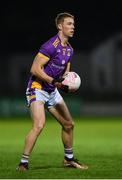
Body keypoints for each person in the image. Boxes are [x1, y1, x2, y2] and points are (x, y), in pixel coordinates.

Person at [17, 12, 88, 171]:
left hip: (52, 90)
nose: (73, 27)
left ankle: (68, 160)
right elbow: (35, 69)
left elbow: (65, 74)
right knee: (39, 125)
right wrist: (53, 81)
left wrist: (66, 84)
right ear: (59, 26)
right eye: (69, 24)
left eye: (73, 24)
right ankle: (23, 163)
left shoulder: (69, 50)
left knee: (69, 124)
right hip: (37, 87)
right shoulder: (50, 46)